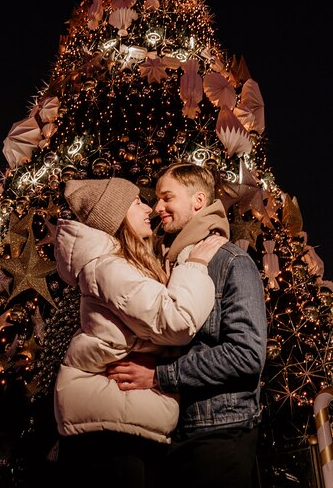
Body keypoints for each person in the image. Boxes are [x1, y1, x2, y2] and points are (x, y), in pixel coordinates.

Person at [51, 176, 227, 488]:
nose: (149, 208)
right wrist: (196, 265)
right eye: (136, 203)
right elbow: (177, 320)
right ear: (116, 216)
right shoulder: (108, 268)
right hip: (110, 435)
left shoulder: (116, 264)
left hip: (119, 423)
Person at [106, 163, 268, 488]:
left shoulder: (232, 262)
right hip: (176, 435)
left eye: (167, 198)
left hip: (220, 434)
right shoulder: (170, 265)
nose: (157, 208)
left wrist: (159, 376)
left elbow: (247, 354)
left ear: (197, 201)